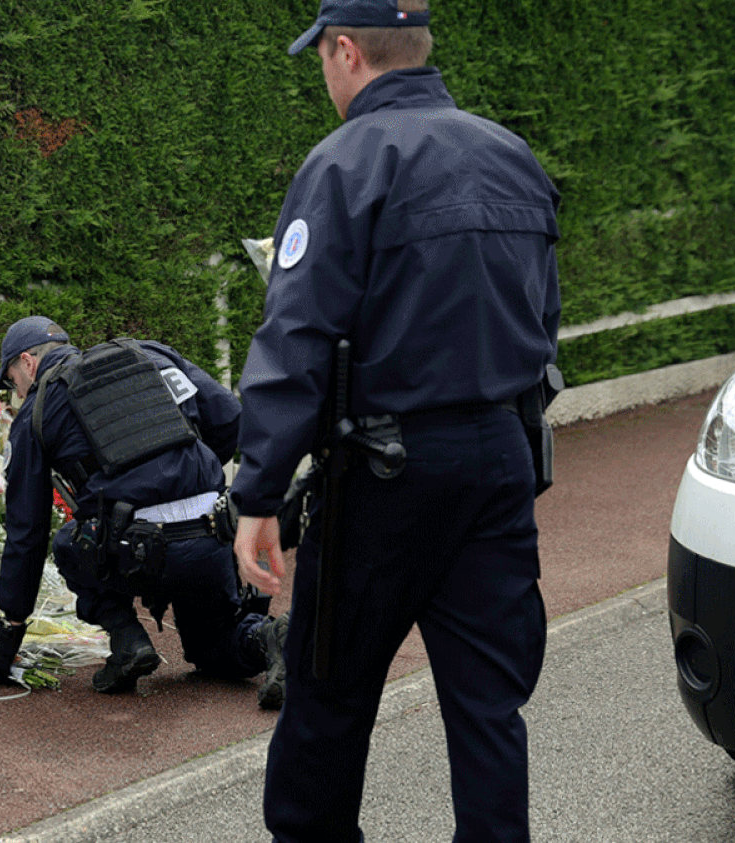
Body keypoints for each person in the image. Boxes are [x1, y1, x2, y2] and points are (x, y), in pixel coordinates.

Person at [230, 1, 562, 841]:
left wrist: (258, 490)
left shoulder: (346, 162)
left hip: (384, 471)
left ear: (347, 51)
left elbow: (296, 336)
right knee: (490, 708)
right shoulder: (511, 156)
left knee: (329, 697)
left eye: (323, 56)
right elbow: (543, 321)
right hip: (500, 459)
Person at [0, 315, 288, 708]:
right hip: (210, 535)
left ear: (27, 362)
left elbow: (27, 530)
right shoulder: (150, 353)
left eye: (10, 382)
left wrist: (8, 640)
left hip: (134, 554)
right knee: (215, 645)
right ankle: (269, 636)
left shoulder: (38, 408)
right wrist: (192, 474)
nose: (15, 393)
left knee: (68, 541)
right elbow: (229, 417)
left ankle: (127, 640)